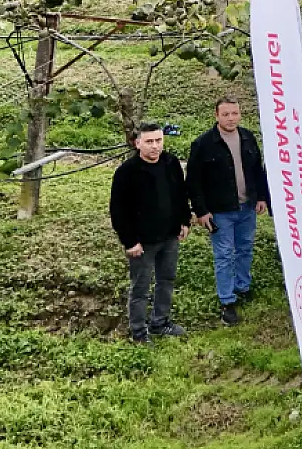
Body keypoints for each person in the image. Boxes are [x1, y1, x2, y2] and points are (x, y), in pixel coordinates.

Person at [186, 96, 269, 327]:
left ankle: (243, 287)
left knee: (245, 248)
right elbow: (193, 181)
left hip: (247, 207)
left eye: (234, 113)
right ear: (216, 116)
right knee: (224, 255)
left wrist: (261, 196)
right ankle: (227, 300)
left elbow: (258, 170)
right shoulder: (203, 144)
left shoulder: (248, 137)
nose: (231, 118)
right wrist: (201, 211)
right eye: (226, 114)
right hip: (220, 210)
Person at [109, 122, 190, 344]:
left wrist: (184, 221)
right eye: (149, 142)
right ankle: (138, 331)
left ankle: (160, 322)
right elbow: (118, 210)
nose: (155, 146)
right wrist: (129, 241)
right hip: (142, 242)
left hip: (169, 236)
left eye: (158, 141)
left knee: (166, 279)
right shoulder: (127, 172)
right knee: (141, 287)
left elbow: (180, 194)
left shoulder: (171, 162)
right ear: (138, 144)